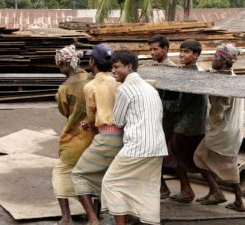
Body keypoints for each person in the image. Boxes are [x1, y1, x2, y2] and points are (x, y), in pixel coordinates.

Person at [101, 50, 168, 225]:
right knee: (148, 187)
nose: (113, 71)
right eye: (112, 68)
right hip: (157, 146)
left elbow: (118, 121)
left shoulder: (125, 88)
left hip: (138, 146)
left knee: (111, 182)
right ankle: (148, 220)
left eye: (116, 67)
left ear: (129, 67)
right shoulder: (149, 87)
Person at [71, 44, 123, 225]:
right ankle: (97, 212)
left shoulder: (91, 85)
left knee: (78, 175)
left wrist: (88, 122)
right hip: (123, 136)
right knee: (105, 174)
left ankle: (93, 219)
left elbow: (92, 114)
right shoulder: (119, 80)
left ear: (93, 62)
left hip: (106, 136)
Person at [193, 43, 245, 212]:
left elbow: (217, 112)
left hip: (223, 131)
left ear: (223, 62)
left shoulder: (223, 84)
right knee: (200, 156)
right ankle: (216, 191)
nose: (213, 59)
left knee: (228, 166)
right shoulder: (231, 76)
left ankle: (238, 201)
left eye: (216, 57)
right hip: (230, 129)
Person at [53, 44, 96, 225]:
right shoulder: (92, 79)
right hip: (95, 137)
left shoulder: (65, 88)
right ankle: (95, 213)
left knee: (61, 174)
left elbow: (64, 111)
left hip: (74, 138)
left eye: (60, 65)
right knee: (92, 177)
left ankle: (66, 217)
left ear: (65, 65)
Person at [164, 39, 207, 203]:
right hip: (196, 124)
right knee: (195, 159)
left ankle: (186, 190)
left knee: (178, 157)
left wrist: (158, 101)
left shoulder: (191, 76)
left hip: (186, 125)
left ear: (196, 55)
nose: (182, 55)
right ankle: (194, 189)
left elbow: (179, 105)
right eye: (181, 51)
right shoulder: (195, 71)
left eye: (186, 52)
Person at [147, 34, 178, 199]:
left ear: (165, 49)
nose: (152, 52)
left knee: (155, 154)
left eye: (155, 49)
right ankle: (161, 187)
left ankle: (163, 188)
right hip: (158, 118)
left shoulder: (170, 69)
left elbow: (171, 102)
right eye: (150, 49)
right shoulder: (156, 67)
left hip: (164, 119)